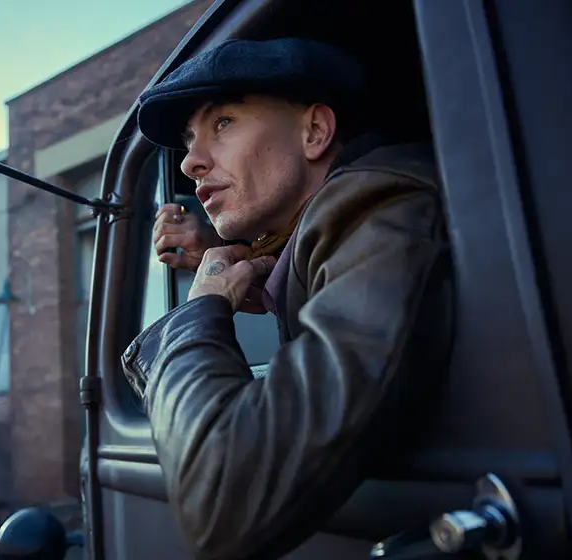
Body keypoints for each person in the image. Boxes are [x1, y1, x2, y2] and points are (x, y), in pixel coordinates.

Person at [121, 37, 454, 559]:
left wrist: (198, 311)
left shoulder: (376, 205)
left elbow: (227, 494)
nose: (189, 162)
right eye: (190, 139)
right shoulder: (349, 218)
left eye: (223, 123)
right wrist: (234, 259)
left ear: (315, 131)